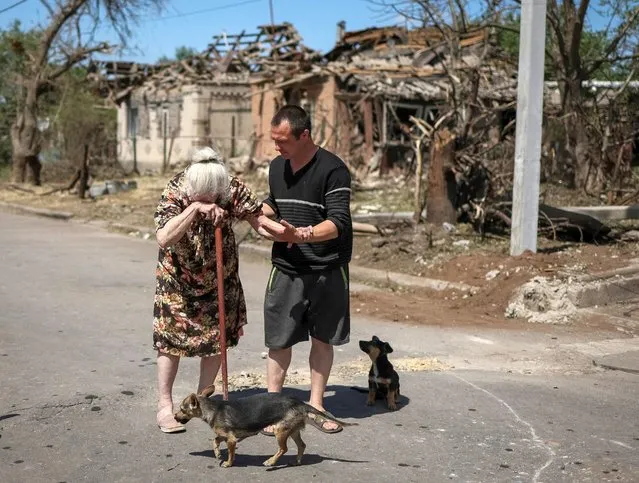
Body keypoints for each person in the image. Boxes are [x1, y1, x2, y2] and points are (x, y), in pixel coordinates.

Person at [153, 146, 285, 433]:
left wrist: (287, 233)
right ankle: (165, 405)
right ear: (191, 187)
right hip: (178, 279)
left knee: (216, 338)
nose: (211, 198)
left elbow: (258, 221)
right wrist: (195, 209)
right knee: (170, 340)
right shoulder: (177, 190)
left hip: (219, 277)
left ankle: (202, 401)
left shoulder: (229, 186)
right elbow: (164, 236)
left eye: (214, 195)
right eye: (203, 195)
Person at [259, 105, 353, 434]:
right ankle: (272, 408)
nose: (277, 146)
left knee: (322, 339)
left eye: (283, 140)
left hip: (327, 267)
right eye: (274, 140)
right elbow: (275, 201)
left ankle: (316, 404)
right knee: (279, 341)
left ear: (305, 136)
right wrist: (260, 214)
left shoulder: (333, 170)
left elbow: (338, 222)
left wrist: (299, 234)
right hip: (286, 267)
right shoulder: (276, 166)